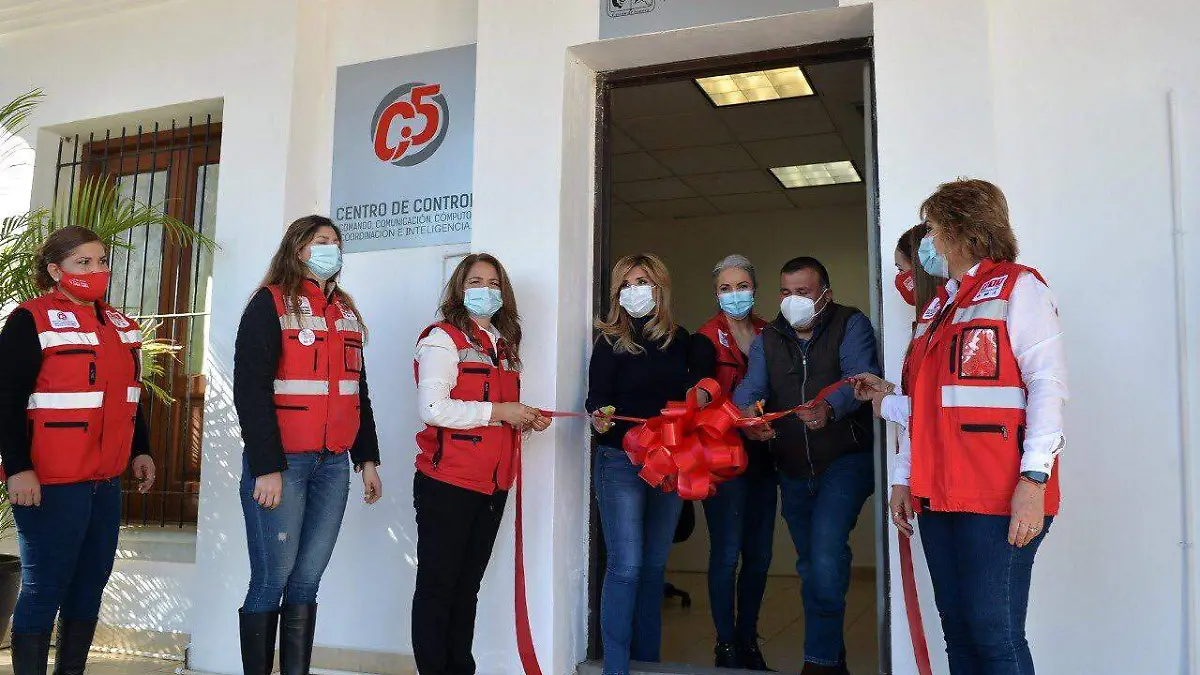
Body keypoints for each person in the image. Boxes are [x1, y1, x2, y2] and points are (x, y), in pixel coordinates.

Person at [854, 179, 1068, 674]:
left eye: (932, 229)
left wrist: (1034, 480)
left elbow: (1048, 386)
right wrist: (904, 478)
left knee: (995, 635)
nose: (926, 241)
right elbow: (926, 409)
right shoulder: (938, 309)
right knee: (959, 632)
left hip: (997, 494)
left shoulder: (1019, 288)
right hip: (939, 494)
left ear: (959, 229)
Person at [0, 226, 156, 675]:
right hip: (50, 481)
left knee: (89, 587)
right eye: (83, 262)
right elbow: (7, 399)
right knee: (45, 587)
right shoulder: (30, 319)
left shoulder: (121, 325)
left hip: (104, 481)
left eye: (101, 261)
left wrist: (141, 449)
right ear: (55, 270)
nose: (96, 270)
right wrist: (18, 468)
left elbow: (129, 396)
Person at [234, 215, 383, 675]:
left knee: (306, 581)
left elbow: (355, 390)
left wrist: (367, 458)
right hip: (284, 465)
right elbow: (250, 389)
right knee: (272, 578)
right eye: (321, 240)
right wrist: (266, 467)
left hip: (333, 464)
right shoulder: (270, 302)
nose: (331, 248)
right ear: (298, 248)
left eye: (336, 241)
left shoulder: (345, 309)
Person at [733, 256, 880, 675]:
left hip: (844, 460)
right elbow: (750, 390)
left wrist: (828, 408)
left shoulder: (850, 324)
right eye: (786, 292)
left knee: (826, 557)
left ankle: (818, 663)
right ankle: (832, 661)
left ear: (825, 295)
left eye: (803, 292)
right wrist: (749, 418)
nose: (792, 300)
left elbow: (860, 378)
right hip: (792, 466)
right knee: (812, 567)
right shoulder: (768, 339)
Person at [411, 253, 551, 675]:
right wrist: (501, 411)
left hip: (493, 485)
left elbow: (495, 414)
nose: (485, 290)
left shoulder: (502, 346)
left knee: (466, 588)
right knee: (438, 588)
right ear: (459, 288)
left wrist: (523, 419)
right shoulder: (442, 339)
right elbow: (433, 408)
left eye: (493, 283)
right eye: (475, 281)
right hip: (448, 482)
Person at [587, 253, 702, 675]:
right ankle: (616, 667)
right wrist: (600, 417)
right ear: (617, 292)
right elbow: (596, 399)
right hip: (620, 460)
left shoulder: (680, 340)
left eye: (644, 282)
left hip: (668, 461)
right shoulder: (609, 341)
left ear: (661, 287)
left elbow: (694, 394)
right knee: (626, 566)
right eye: (627, 283)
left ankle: (647, 663)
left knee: (654, 568)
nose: (635, 290)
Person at [689, 255, 776, 670]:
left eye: (742, 286)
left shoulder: (769, 333)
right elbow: (699, 399)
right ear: (716, 294)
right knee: (726, 553)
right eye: (726, 288)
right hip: (723, 459)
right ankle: (725, 645)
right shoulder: (705, 339)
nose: (734, 294)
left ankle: (748, 641)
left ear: (754, 289)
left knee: (759, 555)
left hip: (764, 457)